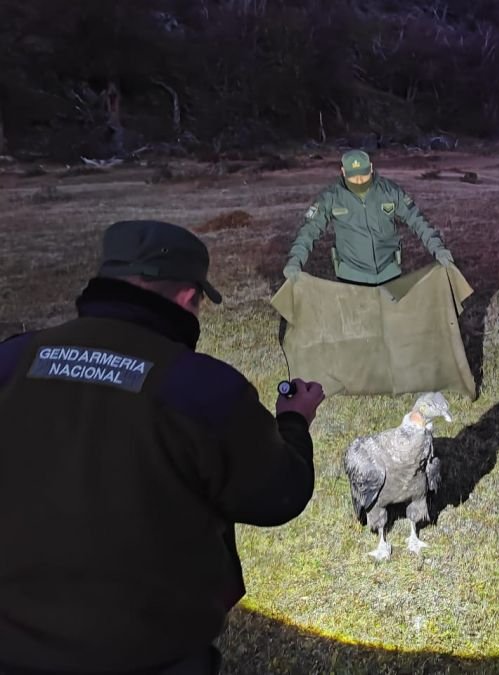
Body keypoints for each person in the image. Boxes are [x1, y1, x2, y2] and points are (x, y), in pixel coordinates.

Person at [0, 220, 325, 674]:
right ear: (189, 297)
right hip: (150, 655)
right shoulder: (204, 389)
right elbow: (278, 495)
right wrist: (294, 420)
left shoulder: (11, 360)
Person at [283, 149, 454, 285]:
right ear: (343, 172)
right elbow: (309, 230)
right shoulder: (331, 197)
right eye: (353, 177)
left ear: (371, 168)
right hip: (351, 276)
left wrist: (438, 249)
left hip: (389, 272)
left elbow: (417, 220)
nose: (359, 181)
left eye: (364, 175)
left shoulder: (390, 191)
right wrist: (295, 260)